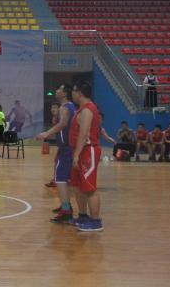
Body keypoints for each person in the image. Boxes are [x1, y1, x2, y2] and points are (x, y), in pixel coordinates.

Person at [36, 84, 76, 224]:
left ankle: (66, 211)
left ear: (64, 93)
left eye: (59, 89)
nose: (56, 90)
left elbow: (63, 124)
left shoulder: (65, 107)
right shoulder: (68, 107)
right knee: (63, 179)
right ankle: (66, 205)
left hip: (67, 148)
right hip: (66, 148)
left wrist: (46, 133)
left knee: (60, 179)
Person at [68, 80, 103, 232]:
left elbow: (84, 134)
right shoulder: (81, 109)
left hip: (88, 151)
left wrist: (76, 155)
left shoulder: (88, 109)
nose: (72, 94)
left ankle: (96, 222)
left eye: (73, 91)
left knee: (89, 188)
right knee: (77, 186)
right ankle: (83, 216)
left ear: (80, 93)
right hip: (80, 151)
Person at [45, 103, 61, 188]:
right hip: (61, 145)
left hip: (69, 145)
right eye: (52, 107)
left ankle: (57, 180)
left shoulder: (63, 117)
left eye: (55, 107)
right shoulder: (54, 119)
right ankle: (56, 180)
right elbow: (55, 131)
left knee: (58, 162)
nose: (52, 109)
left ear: (60, 109)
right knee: (56, 161)